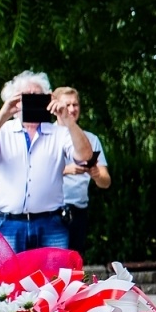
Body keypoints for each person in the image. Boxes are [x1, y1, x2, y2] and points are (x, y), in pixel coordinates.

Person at [0, 71, 94, 251]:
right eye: (27, 97)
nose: (32, 100)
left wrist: (68, 121)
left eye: (38, 96)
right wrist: (4, 113)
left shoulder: (59, 133)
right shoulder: (3, 131)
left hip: (51, 223)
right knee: (8, 279)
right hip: (8, 223)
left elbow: (86, 156)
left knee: (54, 278)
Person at [52, 86, 110, 257]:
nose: (71, 109)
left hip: (79, 210)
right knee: (53, 264)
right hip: (51, 210)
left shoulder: (91, 139)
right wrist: (66, 170)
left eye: (75, 105)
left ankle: (78, 284)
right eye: (67, 105)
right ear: (56, 107)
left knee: (76, 262)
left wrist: (97, 174)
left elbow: (106, 182)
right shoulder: (46, 134)